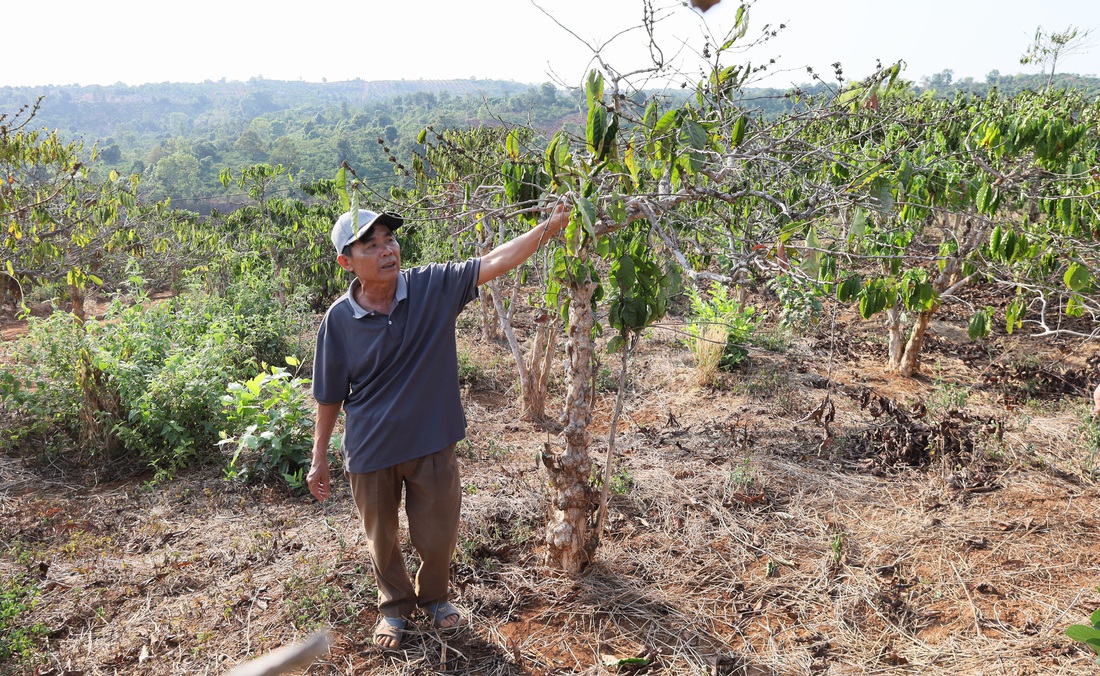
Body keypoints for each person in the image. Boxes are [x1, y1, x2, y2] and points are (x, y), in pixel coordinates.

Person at [307, 202, 569, 650]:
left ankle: (435, 599)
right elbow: (329, 394)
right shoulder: (339, 320)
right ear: (346, 262)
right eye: (371, 245)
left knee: (439, 533)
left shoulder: (431, 286)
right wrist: (319, 457)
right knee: (382, 539)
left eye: (390, 239)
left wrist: (548, 228)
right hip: (371, 451)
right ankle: (394, 608)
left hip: (432, 442)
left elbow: (494, 261)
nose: (387, 250)